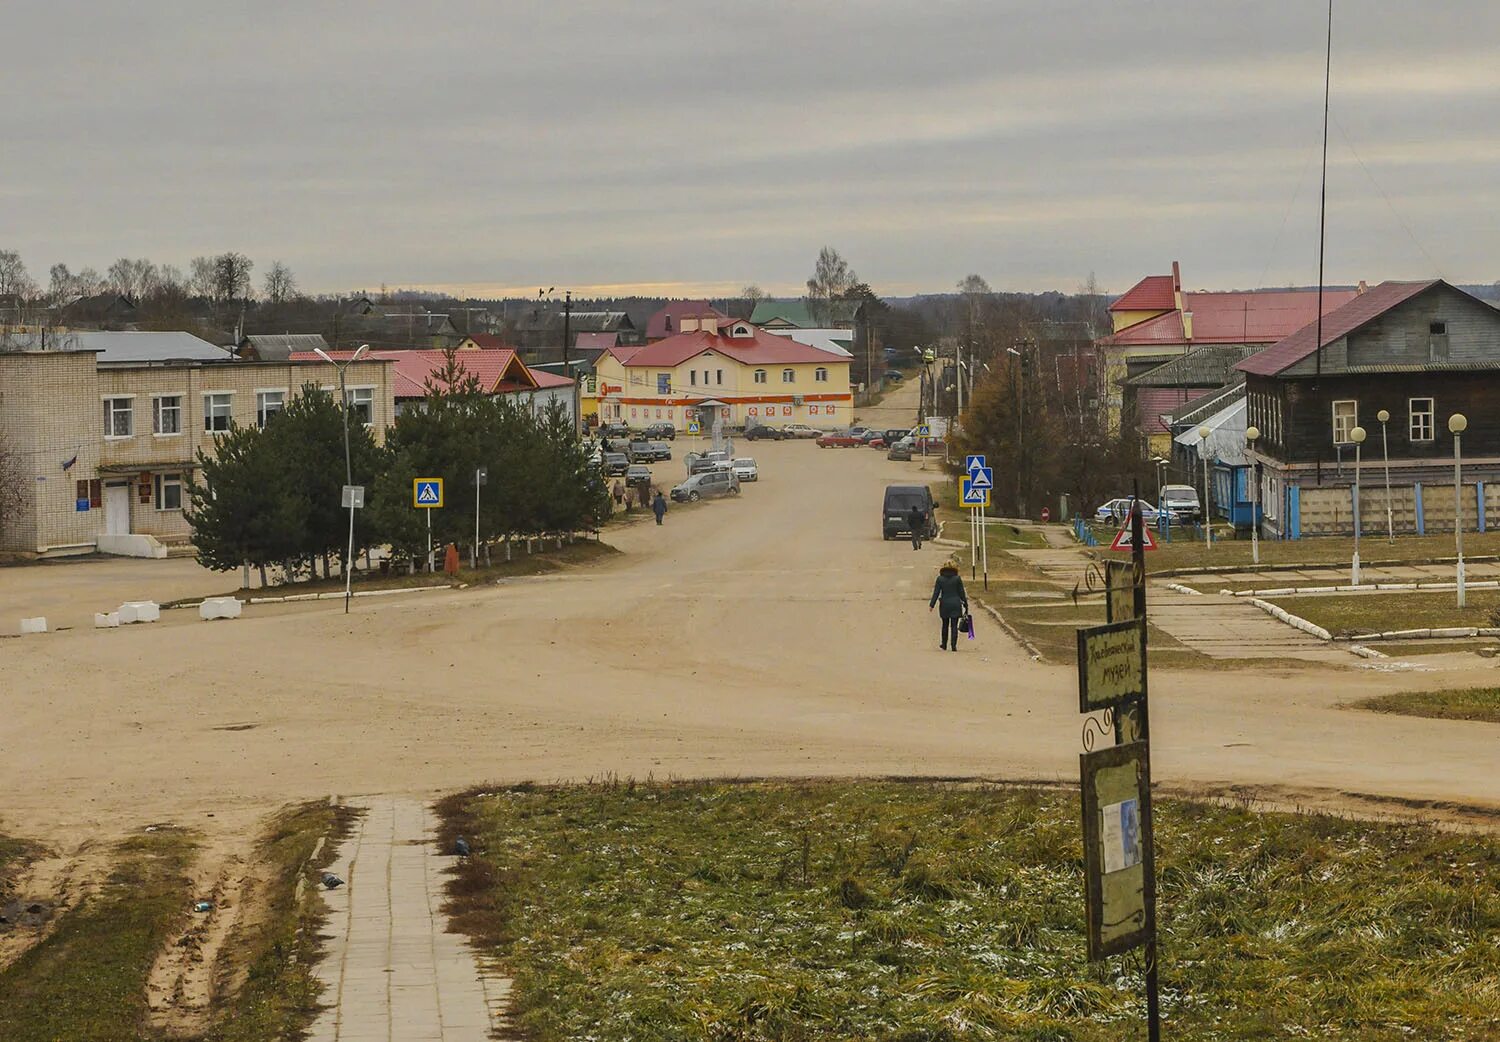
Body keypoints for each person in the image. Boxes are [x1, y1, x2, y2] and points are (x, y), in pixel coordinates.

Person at [929, 562, 968, 651]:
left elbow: (936, 592)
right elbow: (962, 593)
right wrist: (965, 604)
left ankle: (944, 644)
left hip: (945, 604)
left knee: (944, 625)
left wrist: (932, 605)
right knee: (954, 625)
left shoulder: (940, 579)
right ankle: (953, 645)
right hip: (955, 604)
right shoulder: (957, 579)